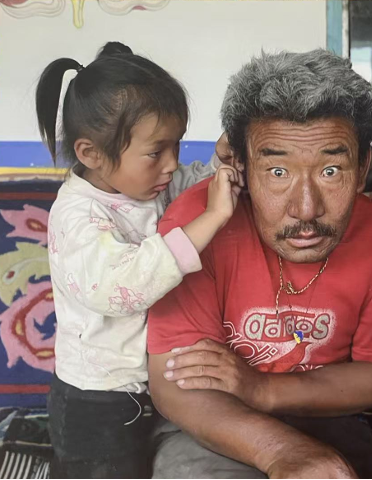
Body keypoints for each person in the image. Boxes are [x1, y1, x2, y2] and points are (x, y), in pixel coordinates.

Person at [146, 49, 372, 479]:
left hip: (327, 414)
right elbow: (175, 384)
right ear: (241, 166)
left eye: (330, 171)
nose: (306, 209)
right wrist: (278, 450)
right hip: (209, 421)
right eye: (278, 172)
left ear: (362, 168)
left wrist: (263, 389)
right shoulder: (196, 226)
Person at [38, 42, 241, 479]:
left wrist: (219, 162)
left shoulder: (145, 184)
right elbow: (123, 287)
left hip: (145, 389)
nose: (171, 164)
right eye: (156, 151)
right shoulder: (78, 216)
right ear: (91, 153)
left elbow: (190, 183)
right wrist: (211, 218)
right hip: (97, 403)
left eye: (177, 145)